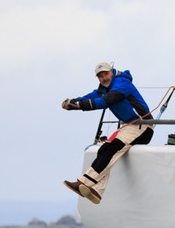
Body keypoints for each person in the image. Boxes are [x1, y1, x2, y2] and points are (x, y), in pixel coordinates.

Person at [62, 62, 155, 204]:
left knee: (111, 148)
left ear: (112, 71)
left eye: (106, 74)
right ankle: (97, 191)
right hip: (129, 127)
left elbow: (108, 100)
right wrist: (73, 103)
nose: (104, 78)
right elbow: (90, 97)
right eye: (100, 76)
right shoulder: (104, 89)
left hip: (143, 126)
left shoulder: (122, 83)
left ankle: (84, 182)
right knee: (104, 150)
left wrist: (81, 106)